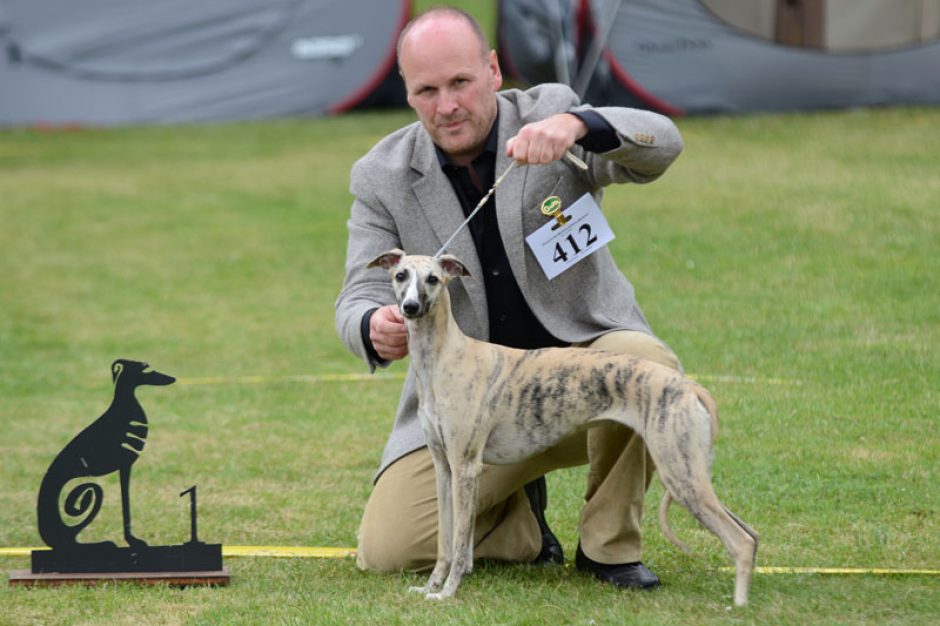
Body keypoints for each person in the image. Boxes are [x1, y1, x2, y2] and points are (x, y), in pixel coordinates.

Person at [334, 7, 683, 590]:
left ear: (494, 70)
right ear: (409, 95)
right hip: (470, 401)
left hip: (581, 362)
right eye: (427, 90)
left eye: (460, 83)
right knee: (390, 548)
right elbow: (356, 295)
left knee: (646, 367)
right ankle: (522, 528)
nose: (446, 105)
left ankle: (609, 549)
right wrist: (371, 324)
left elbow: (662, 147)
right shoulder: (381, 175)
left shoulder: (551, 115)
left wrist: (583, 125)